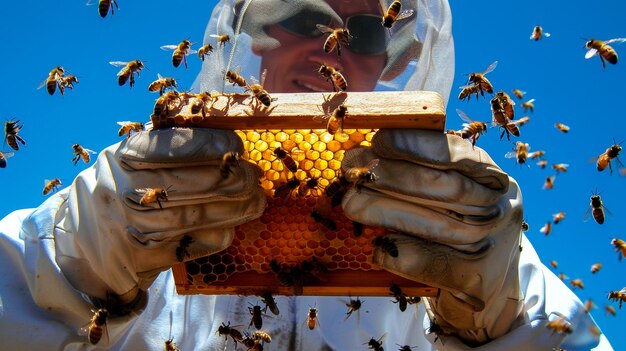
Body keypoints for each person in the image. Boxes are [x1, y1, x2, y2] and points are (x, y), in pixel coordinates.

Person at [0, 0, 613, 350]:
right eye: (300, 13)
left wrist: (502, 324)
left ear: (391, 59)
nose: (330, 47)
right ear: (254, 40)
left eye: (365, 30)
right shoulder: (138, 207)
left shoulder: (455, 231)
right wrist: (72, 266)